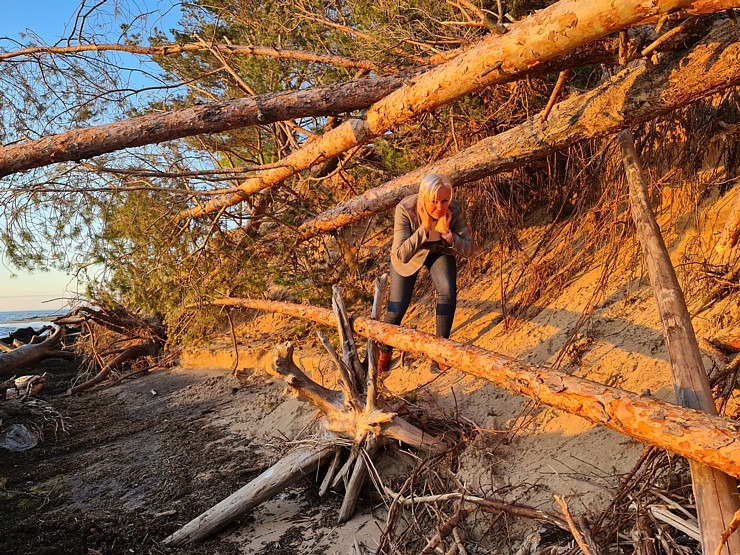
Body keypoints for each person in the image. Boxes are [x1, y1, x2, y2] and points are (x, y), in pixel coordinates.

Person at [378, 173, 474, 374]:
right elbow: (401, 254)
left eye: (445, 200)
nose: (440, 207)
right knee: (397, 308)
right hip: (410, 255)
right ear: (423, 197)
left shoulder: (454, 210)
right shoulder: (405, 209)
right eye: (434, 201)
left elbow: (470, 250)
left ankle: (440, 352)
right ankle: (384, 352)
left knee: (448, 292)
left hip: (439, 251)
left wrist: (449, 236)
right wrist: (423, 230)